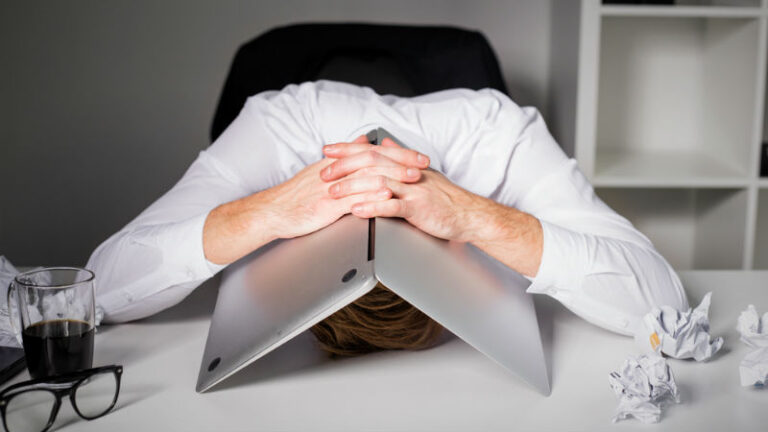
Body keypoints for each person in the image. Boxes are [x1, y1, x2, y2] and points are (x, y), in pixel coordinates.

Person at [87, 80, 688, 355]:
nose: (378, 203)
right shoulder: (274, 128)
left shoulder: (501, 137)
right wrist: (270, 211)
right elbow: (98, 293)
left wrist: (474, 216)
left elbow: (664, 306)